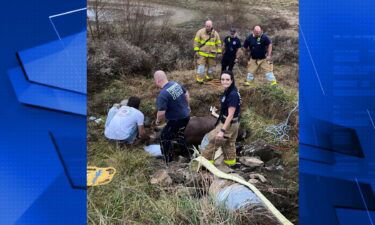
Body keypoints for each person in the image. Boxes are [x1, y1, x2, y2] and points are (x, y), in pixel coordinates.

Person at [201, 70, 241, 168]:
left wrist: (222, 130)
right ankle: (231, 164)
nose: (225, 81)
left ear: (232, 80)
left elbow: (230, 115)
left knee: (212, 143)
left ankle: (206, 165)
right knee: (229, 144)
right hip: (234, 123)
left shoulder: (232, 94)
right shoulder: (230, 90)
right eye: (223, 79)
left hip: (228, 124)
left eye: (227, 79)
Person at [154, 70, 191, 163]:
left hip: (176, 120)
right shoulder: (175, 84)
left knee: (164, 137)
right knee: (180, 135)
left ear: (157, 80)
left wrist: (158, 120)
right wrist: (188, 106)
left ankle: (168, 160)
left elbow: (161, 112)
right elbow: (186, 94)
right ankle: (186, 155)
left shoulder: (163, 94)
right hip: (186, 116)